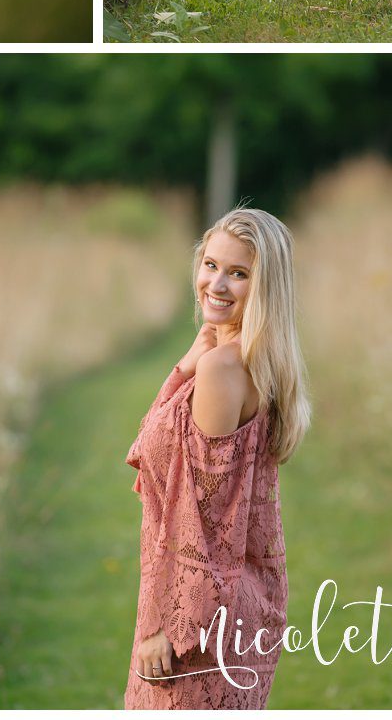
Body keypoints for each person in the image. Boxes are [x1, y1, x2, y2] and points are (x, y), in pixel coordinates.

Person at [125, 208, 309, 710]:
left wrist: (164, 625)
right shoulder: (247, 360)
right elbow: (153, 446)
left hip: (196, 624)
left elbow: (202, 519)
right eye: (210, 265)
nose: (217, 283)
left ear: (265, 287)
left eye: (239, 273)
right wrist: (186, 363)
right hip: (237, 606)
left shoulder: (224, 368)